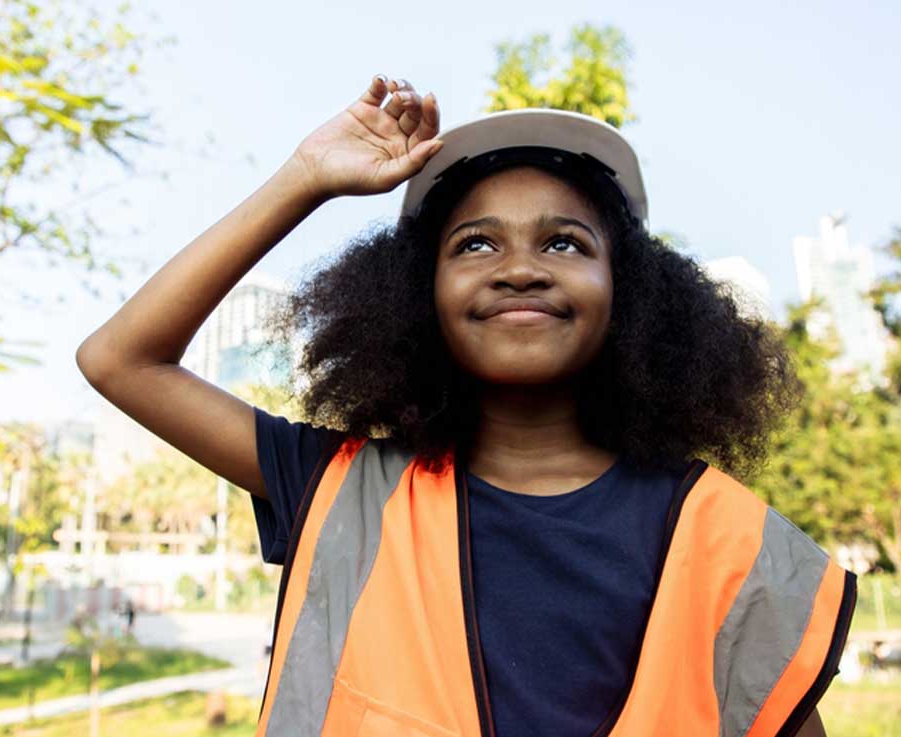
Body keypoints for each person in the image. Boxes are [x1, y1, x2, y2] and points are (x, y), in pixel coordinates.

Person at [77, 73, 856, 737]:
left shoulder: (729, 536)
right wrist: (306, 176)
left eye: (565, 244)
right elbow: (120, 358)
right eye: (476, 244)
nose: (520, 268)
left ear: (632, 296)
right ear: (416, 302)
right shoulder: (342, 488)